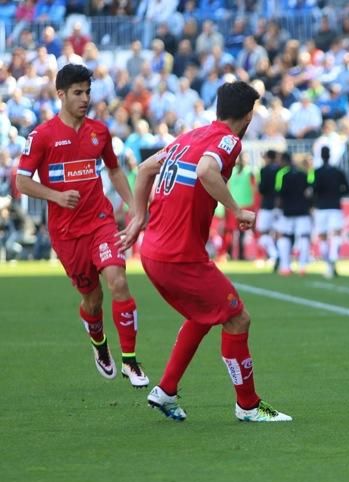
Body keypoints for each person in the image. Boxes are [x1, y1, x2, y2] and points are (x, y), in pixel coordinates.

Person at [119, 81, 291, 422]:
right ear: (248, 115)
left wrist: (139, 217)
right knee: (237, 317)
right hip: (178, 255)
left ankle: (166, 390)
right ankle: (249, 405)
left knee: (202, 315)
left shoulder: (189, 137)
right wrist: (236, 209)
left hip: (154, 250)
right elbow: (207, 171)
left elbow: (143, 169)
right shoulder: (229, 141)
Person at [16, 64, 149, 388]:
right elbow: (21, 181)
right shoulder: (42, 136)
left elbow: (115, 171)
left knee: (118, 281)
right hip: (66, 234)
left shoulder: (99, 132)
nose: (85, 98)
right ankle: (99, 344)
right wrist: (56, 197)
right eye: (78, 92)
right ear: (61, 94)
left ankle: (130, 361)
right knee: (92, 299)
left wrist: (134, 207)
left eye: (88, 92)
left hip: (100, 222)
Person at [313, 145, 349, 278]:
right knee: (336, 234)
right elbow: (347, 188)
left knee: (323, 236)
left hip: (321, 207)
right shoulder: (337, 172)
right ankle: (333, 259)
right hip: (335, 206)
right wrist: (338, 192)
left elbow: (314, 189)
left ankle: (328, 264)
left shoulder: (317, 172)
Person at [275, 153, 314, 276]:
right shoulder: (305, 175)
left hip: (287, 211)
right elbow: (309, 192)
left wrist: (278, 209)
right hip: (302, 210)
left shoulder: (282, 175)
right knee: (303, 237)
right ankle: (303, 266)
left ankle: (285, 266)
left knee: (284, 236)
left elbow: (279, 193)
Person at [256, 149, 281, 265]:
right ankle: (278, 254)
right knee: (278, 232)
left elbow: (262, 189)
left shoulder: (264, 170)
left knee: (263, 232)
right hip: (279, 206)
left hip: (266, 205)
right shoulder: (280, 170)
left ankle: (275, 254)